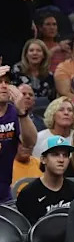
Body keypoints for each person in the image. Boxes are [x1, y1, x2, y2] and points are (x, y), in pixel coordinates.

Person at [16, 136, 74, 223]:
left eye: (65, 155)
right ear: (43, 159)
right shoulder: (29, 193)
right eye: (55, 154)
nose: (61, 160)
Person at [0, 66, 38, 201]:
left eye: (7, 82)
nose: (4, 86)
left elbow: (31, 141)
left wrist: (22, 113)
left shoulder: (13, 113)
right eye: (0, 82)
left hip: (4, 190)